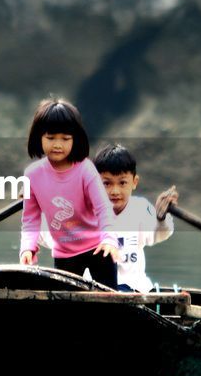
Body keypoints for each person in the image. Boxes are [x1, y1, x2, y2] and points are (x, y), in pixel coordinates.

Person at [19, 99, 120, 288]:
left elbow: (103, 208)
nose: (58, 145)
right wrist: (27, 248)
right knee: (64, 304)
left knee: (110, 301)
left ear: (75, 140)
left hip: (98, 248)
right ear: (38, 137)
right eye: (51, 138)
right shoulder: (31, 175)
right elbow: (30, 218)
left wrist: (109, 239)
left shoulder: (85, 170)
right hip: (65, 253)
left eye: (65, 139)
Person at [92, 144, 178, 293]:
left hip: (134, 288)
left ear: (134, 182)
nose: (115, 191)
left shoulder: (140, 208)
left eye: (122, 183)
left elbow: (159, 234)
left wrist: (160, 218)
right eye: (106, 183)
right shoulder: (86, 212)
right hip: (94, 288)